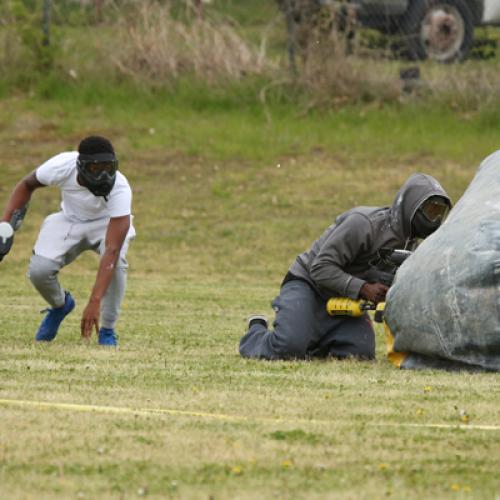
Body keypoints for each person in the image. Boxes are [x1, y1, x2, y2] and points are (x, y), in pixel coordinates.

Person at [239, 173, 451, 361]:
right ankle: (257, 330)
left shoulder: (411, 244)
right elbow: (320, 268)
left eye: (439, 212)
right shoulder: (363, 224)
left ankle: (306, 334)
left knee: (359, 353)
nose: (435, 219)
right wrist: (364, 289)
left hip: (345, 299)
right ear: (410, 205)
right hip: (307, 285)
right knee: (287, 348)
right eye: (431, 210)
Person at [0, 135, 135, 345]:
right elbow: (26, 185)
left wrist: (94, 302)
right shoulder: (62, 166)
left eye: (109, 168)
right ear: (80, 166)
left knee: (116, 265)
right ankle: (60, 305)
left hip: (106, 223)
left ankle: (107, 330)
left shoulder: (121, 189)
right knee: (39, 271)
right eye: (95, 169)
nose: (104, 176)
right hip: (69, 220)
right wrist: (5, 225)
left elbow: (112, 250)